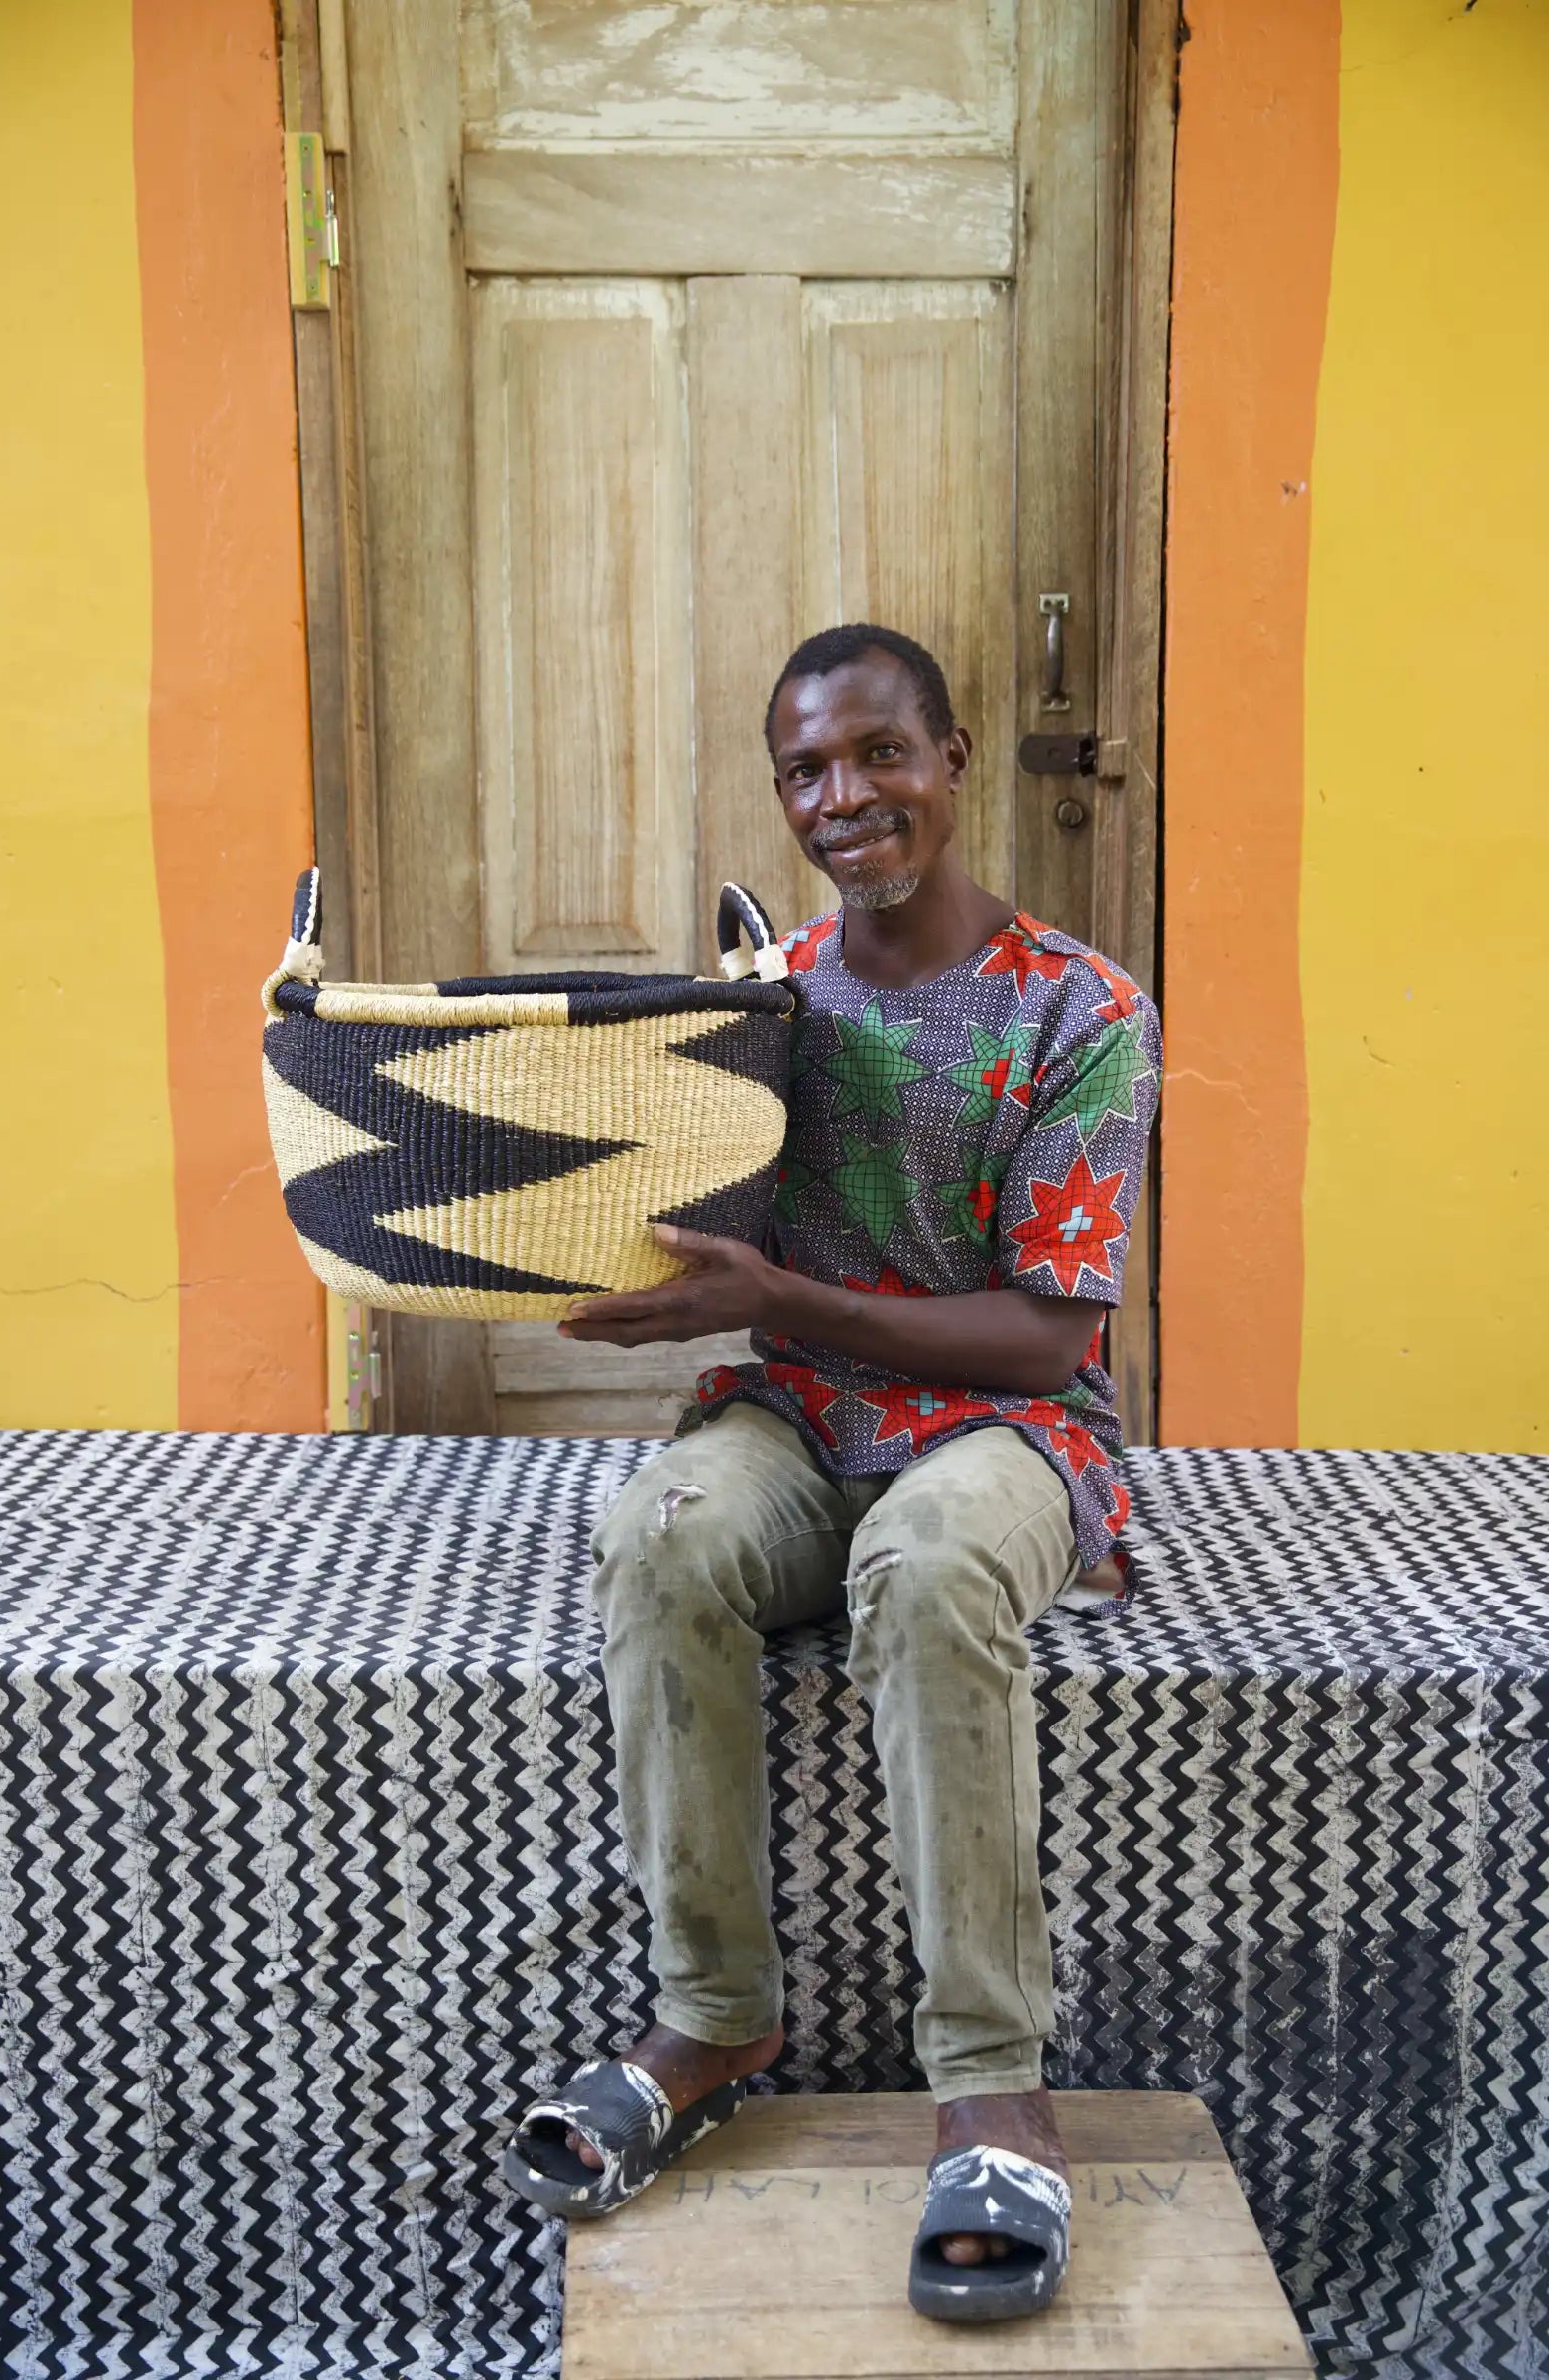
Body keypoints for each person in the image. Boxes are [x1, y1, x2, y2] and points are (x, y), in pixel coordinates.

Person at [504, 624, 1161, 2323]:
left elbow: (1047, 1338)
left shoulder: (1081, 1011)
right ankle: (716, 2019)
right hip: (798, 1417)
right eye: (806, 770)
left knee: (929, 1567)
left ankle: (992, 2088)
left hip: (1007, 1433)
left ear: (952, 759)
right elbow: (685, 1217)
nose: (844, 796)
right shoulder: (763, 1004)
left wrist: (779, 1297)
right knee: (659, 1533)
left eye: (879, 753)